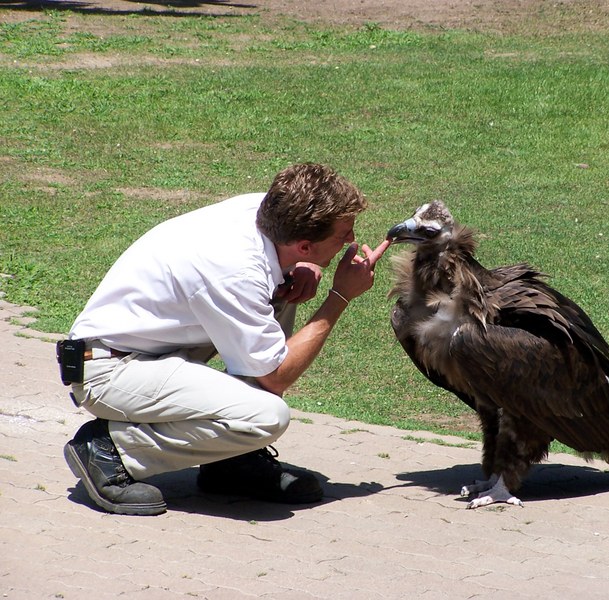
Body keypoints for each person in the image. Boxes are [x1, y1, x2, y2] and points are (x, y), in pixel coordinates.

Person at [58, 163, 390, 516]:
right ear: (304, 244)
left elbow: (283, 263)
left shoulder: (266, 212)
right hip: (111, 371)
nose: (350, 240)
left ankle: (231, 461)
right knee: (267, 416)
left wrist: (302, 266)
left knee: (280, 293)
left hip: (150, 348)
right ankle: (112, 450)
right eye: (343, 235)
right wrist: (340, 296)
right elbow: (277, 374)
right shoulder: (235, 269)